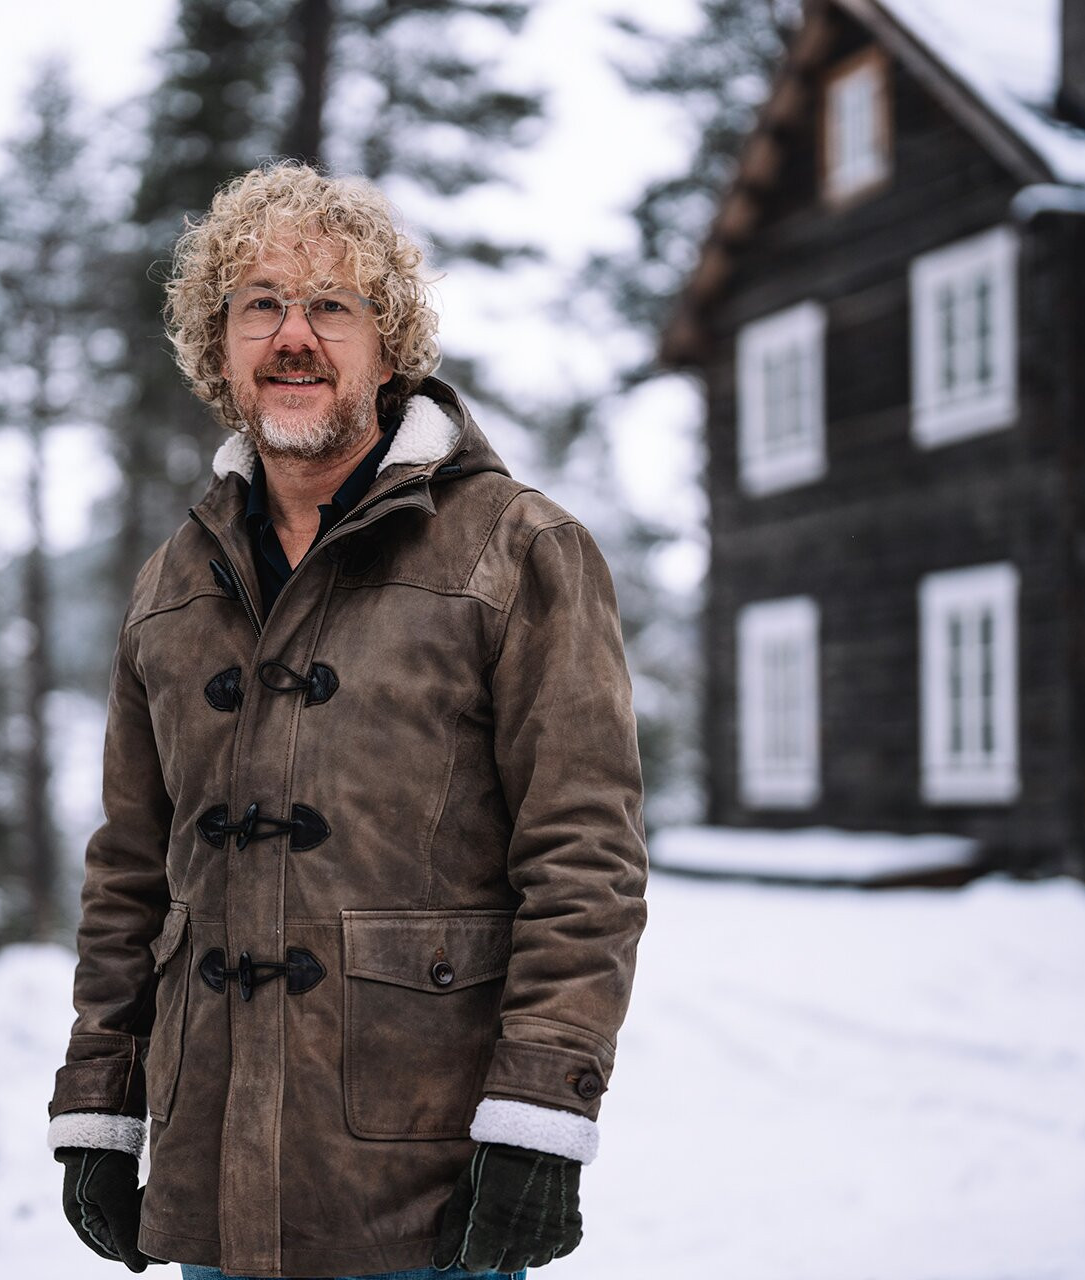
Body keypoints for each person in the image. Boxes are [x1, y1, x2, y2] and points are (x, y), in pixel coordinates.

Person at [45, 162, 649, 1280]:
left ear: (388, 343)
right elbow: (130, 868)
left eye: (333, 303)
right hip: (210, 1173)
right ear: (217, 346)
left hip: (420, 1184)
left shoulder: (515, 549)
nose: (294, 336)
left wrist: (540, 1112)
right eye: (259, 303)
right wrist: (99, 1100)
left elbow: (585, 858)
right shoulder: (173, 582)